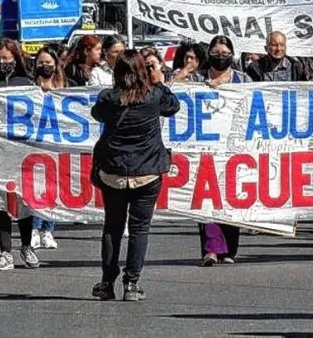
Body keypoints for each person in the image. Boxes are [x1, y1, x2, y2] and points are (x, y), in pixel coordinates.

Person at [90, 50, 181, 301]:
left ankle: (107, 282)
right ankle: (131, 283)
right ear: (143, 70)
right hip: (147, 173)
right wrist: (158, 80)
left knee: (112, 227)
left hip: (114, 172)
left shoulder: (108, 98)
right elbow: (174, 106)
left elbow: (97, 114)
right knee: (139, 229)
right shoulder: (154, 96)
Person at [190, 36, 250, 264]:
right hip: (204, 148)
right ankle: (211, 249)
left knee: (231, 197)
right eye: (216, 53)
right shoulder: (197, 78)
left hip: (234, 148)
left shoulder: (243, 79)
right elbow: (173, 89)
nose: (221, 57)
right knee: (207, 197)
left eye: (225, 53)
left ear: (232, 55)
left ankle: (228, 249)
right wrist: (192, 77)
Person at [0, 38, 40, 271]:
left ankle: (26, 246)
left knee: (24, 200)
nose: (1, 63)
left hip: (22, 152)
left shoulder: (26, 84)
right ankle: (5, 251)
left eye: (6, 58)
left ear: (16, 59)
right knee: (1, 203)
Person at [30, 45, 65, 250]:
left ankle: (48, 230)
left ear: (55, 64)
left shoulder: (65, 86)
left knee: (53, 188)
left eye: (48, 63)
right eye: (41, 62)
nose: (45, 66)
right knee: (36, 187)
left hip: (56, 143)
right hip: (34, 143)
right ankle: (34, 229)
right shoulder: (29, 87)